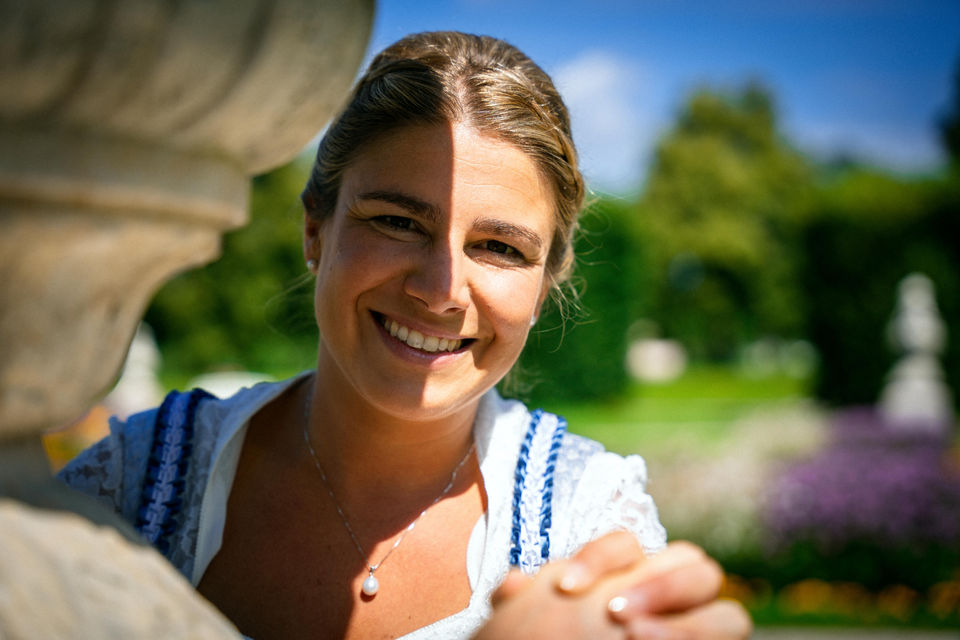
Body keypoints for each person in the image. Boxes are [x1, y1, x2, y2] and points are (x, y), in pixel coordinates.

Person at [59, 31, 751, 639]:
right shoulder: (132, 482)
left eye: (500, 248)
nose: (441, 291)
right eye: (397, 222)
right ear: (314, 229)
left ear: (545, 284)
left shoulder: (587, 524)